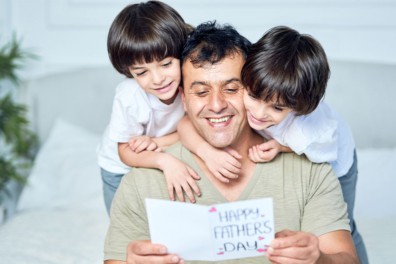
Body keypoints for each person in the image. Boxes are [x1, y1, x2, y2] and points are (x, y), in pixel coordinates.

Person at [103, 21, 358, 264]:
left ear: (252, 86)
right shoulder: (140, 181)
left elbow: (345, 257)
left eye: (232, 89)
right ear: (183, 98)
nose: (216, 105)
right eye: (201, 92)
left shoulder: (312, 166)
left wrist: (318, 259)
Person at [178, 26, 368, 263]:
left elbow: (317, 151)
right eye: (254, 97)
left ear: (297, 108)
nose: (257, 113)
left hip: (337, 157)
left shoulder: (307, 134)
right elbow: (183, 124)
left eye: (276, 108)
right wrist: (206, 152)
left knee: (346, 224)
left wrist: (280, 146)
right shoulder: (261, 85)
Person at [96, 1, 200, 215]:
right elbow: (125, 151)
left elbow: (193, 129)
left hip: (158, 150)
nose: (158, 79)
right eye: (142, 72)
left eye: (166, 64)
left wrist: (156, 143)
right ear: (129, 72)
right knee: (125, 224)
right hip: (120, 166)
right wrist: (164, 160)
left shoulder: (191, 82)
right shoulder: (129, 95)